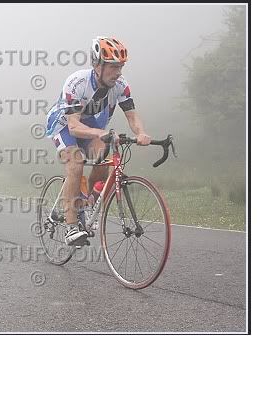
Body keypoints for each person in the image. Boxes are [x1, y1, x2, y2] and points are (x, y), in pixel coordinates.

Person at [45, 36, 151, 246]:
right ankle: (71, 226)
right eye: (113, 66)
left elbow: (132, 116)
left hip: (92, 127)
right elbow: (74, 126)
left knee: (103, 157)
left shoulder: (121, 85)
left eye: (120, 66)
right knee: (75, 165)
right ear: (97, 65)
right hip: (63, 125)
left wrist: (141, 132)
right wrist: (97, 132)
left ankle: (89, 201)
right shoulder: (77, 83)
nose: (118, 71)